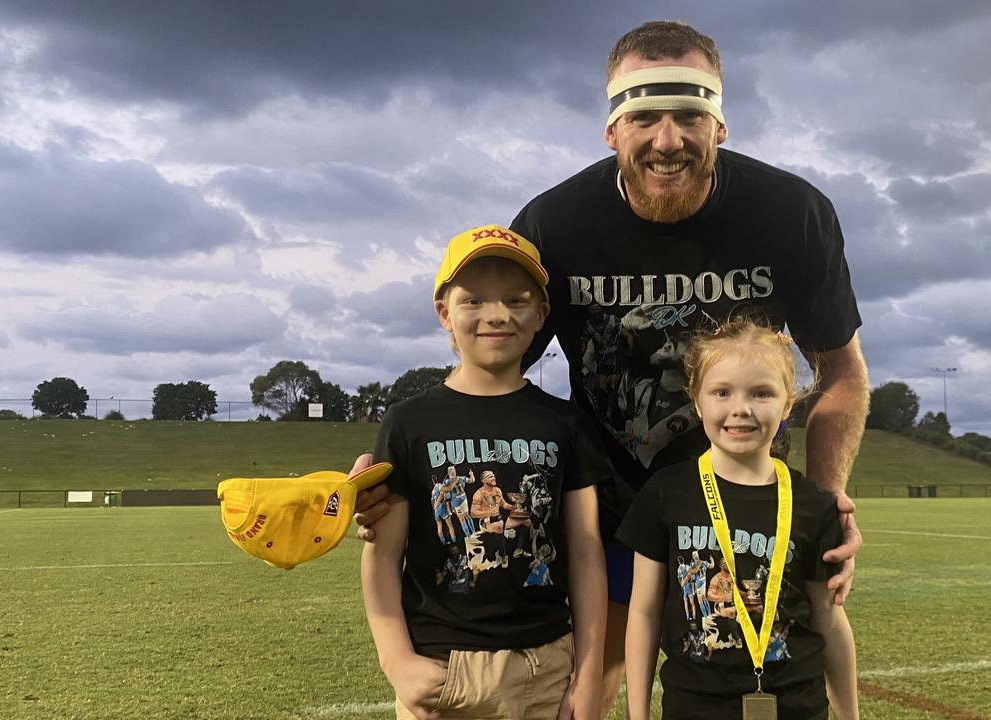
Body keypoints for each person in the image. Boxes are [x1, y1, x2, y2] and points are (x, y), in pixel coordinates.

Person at [355, 21, 870, 711]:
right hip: (606, 513)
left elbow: (839, 373)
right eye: (643, 117)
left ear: (719, 125)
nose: (667, 140)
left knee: (756, 690)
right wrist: (405, 469)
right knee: (590, 693)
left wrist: (823, 506)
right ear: (611, 130)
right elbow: (493, 376)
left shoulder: (792, 214)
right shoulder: (556, 224)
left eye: (689, 115)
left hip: (742, 509)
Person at [360, 225, 610, 720]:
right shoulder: (409, 422)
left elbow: (585, 550)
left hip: (548, 665)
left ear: (541, 314)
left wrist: (590, 672)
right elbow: (382, 554)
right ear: (443, 313)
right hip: (443, 665)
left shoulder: (567, 422)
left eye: (516, 300)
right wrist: (397, 662)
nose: (496, 315)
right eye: (473, 301)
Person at [619, 317, 858, 720]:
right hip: (693, 709)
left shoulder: (814, 503)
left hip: (797, 707)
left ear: (787, 403)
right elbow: (643, 613)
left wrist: (850, 715)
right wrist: (637, 714)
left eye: (761, 393)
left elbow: (829, 621)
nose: (740, 409)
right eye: (722, 392)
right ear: (697, 401)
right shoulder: (665, 493)